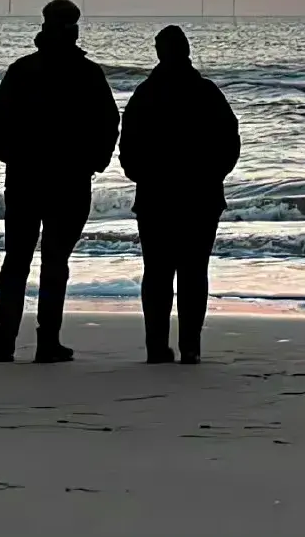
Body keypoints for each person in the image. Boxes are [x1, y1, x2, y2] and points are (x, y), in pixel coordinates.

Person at [0, 0, 119, 364]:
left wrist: (10, 155)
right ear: (73, 31)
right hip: (68, 180)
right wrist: (96, 160)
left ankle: (5, 342)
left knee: (17, 259)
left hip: (27, 178)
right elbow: (109, 123)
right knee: (54, 261)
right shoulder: (87, 73)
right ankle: (47, 342)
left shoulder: (23, 70)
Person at [119, 25, 240, 364]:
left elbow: (127, 148)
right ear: (186, 52)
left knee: (156, 273)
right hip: (200, 197)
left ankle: (157, 346)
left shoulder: (145, 94)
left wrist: (141, 175)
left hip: (156, 196)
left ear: (160, 53)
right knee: (193, 272)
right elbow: (230, 142)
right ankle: (191, 346)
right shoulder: (206, 92)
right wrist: (214, 175)